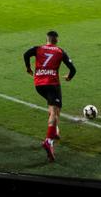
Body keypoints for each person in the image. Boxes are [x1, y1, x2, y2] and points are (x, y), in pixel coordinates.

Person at [23, 30, 76, 162]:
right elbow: (73, 69)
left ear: (47, 39)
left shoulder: (38, 48)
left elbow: (26, 54)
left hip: (39, 85)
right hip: (52, 84)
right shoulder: (60, 51)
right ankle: (48, 141)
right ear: (56, 40)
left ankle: (55, 131)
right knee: (54, 111)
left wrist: (29, 68)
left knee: (54, 108)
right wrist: (69, 77)